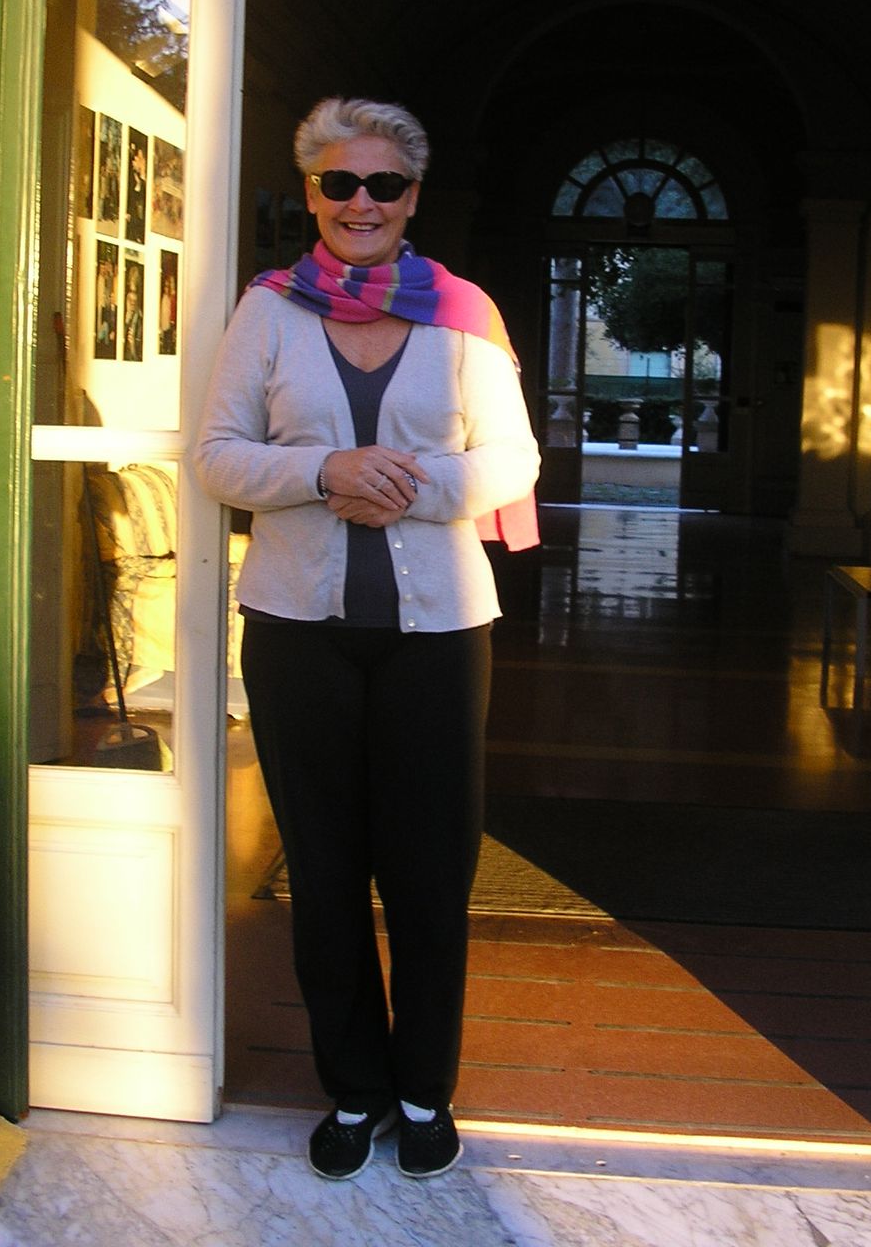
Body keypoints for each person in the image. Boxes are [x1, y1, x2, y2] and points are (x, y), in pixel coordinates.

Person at [194, 97, 540, 1181]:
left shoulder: (463, 316)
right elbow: (216, 453)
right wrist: (323, 471)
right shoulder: (268, 312)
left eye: (383, 185)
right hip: (298, 633)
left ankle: (424, 1089)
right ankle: (352, 1089)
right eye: (340, 183)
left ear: (412, 198)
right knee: (326, 871)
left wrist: (405, 487)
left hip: (440, 637)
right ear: (312, 194)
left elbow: (513, 462)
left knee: (431, 871)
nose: (361, 203)